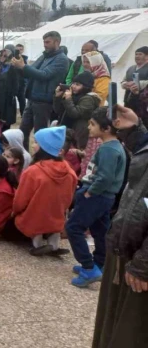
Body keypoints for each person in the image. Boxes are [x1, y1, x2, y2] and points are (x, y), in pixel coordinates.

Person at [93, 105, 148, 348]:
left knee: (130, 335)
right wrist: (135, 130)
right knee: (111, 327)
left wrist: (144, 265)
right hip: (125, 249)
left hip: (140, 262)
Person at [66, 107, 127, 288]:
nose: (89, 127)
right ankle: (99, 263)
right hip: (104, 197)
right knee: (100, 231)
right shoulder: (113, 146)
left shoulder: (109, 149)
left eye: (92, 124)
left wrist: (89, 192)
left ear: (107, 128)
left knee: (73, 227)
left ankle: (89, 267)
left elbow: (105, 177)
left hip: (96, 195)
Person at [6, 126, 77, 256]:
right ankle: (53, 244)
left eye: (37, 142)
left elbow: (21, 200)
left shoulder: (33, 171)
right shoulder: (70, 171)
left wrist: (14, 212)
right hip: (56, 218)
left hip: (33, 218)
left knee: (13, 224)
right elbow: (69, 199)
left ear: (44, 147)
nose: (33, 145)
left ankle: (36, 244)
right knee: (50, 217)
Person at [12, 31, 70, 150]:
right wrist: (18, 67)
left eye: (48, 42)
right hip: (33, 99)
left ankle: (41, 160)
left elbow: (44, 75)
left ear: (57, 42)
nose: (45, 45)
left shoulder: (61, 59)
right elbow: (30, 72)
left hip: (44, 101)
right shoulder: (44, 56)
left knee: (40, 135)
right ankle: (23, 157)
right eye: (44, 42)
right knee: (22, 132)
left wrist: (23, 66)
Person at [53, 71, 101, 149]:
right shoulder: (73, 96)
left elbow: (75, 114)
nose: (74, 86)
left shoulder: (88, 99)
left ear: (86, 87)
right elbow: (57, 110)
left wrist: (68, 100)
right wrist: (57, 97)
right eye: (73, 83)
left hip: (78, 133)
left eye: (78, 84)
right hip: (67, 130)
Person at [0, 45, 21, 128]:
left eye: (5, 55)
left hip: (7, 97)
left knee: (5, 119)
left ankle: (4, 136)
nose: (3, 56)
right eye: (2, 54)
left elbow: (16, 82)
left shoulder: (13, 66)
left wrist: (13, 94)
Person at [122, 46, 148, 127]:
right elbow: (123, 80)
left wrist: (138, 84)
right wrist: (125, 84)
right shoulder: (131, 68)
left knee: (142, 122)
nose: (137, 56)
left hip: (143, 102)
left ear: (147, 56)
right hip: (129, 100)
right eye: (136, 54)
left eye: (140, 54)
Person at [14, 43, 29, 115]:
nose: (19, 51)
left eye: (21, 49)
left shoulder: (24, 59)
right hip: (13, 82)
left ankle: (23, 114)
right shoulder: (11, 59)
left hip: (21, 83)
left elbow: (25, 70)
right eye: (17, 50)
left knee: (22, 100)